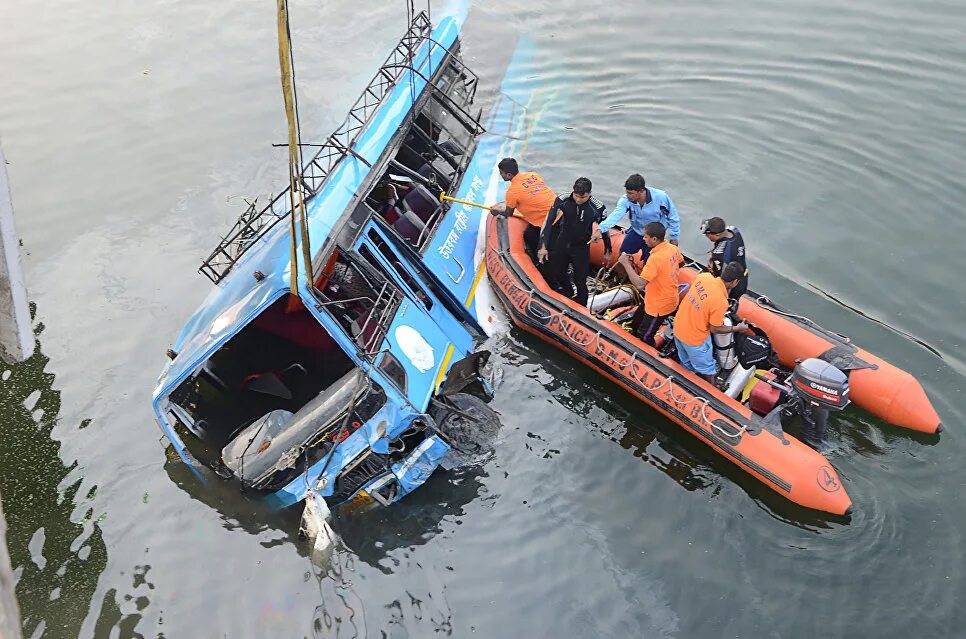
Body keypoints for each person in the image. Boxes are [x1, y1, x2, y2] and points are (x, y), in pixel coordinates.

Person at [536, 177, 612, 306]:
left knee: (580, 280)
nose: (578, 200)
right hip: (563, 241)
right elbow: (548, 222)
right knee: (558, 272)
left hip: (581, 246)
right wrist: (542, 246)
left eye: (583, 197)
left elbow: (605, 229)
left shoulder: (598, 207)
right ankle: (568, 293)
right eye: (576, 196)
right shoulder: (563, 199)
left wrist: (608, 250)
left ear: (589, 194)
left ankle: (582, 305)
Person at [673, 262, 748, 384]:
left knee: (686, 363)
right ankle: (711, 390)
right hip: (694, 340)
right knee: (707, 370)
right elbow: (715, 328)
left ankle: (685, 382)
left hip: (678, 328)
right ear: (735, 282)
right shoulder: (720, 302)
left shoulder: (704, 277)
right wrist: (737, 328)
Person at [616, 222, 683, 345]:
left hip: (660, 306)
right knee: (636, 323)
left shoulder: (655, 258)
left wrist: (625, 263)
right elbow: (681, 262)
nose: (643, 239)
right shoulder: (672, 248)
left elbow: (640, 284)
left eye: (645, 237)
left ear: (654, 239)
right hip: (655, 298)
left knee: (645, 336)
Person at [591, 173, 680, 263]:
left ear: (641, 191)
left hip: (654, 236)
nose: (627, 195)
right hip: (637, 231)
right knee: (621, 257)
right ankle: (622, 276)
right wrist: (600, 229)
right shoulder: (626, 200)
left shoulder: (661, 197)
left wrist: (674, 237)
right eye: (626, 192)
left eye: (630, 193)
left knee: (650, 263)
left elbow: (673, 217)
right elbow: (616, 215)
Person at [489, 158, 557, 263]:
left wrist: (497, 211)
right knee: (530, 232)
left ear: (509, 175)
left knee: (529, 236)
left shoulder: (512, 192)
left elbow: (508, 213)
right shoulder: (533, 175)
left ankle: (538, 262)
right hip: (558, 211)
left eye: (501, 173)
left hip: (545, 222)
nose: (500, 175)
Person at [702, 216, 748, 299]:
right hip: (743, 276)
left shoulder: (719, 255)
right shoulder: (733, 229)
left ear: (717, 234)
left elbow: (719, 279)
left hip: (733, 286)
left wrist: (710, 264)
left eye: (707, 235)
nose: (706, 236)